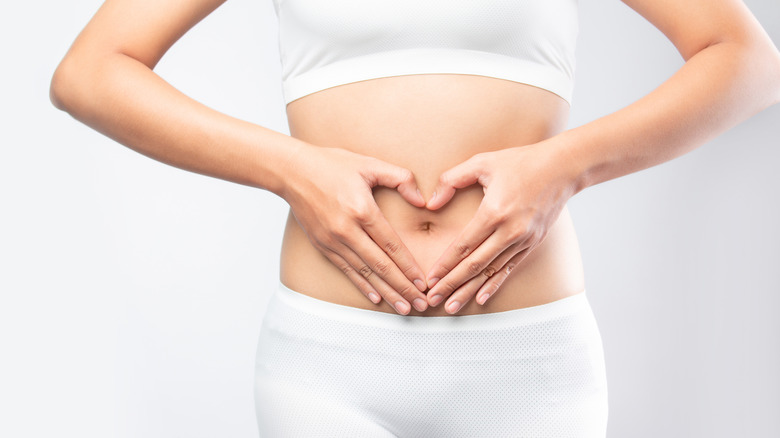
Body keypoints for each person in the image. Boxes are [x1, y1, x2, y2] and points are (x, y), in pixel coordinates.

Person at [50, 0, 780, 436]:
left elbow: (749, 61)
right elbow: (90, 73)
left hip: (528, 365)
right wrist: (289, 169)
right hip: (330, 362)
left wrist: (565, 167)